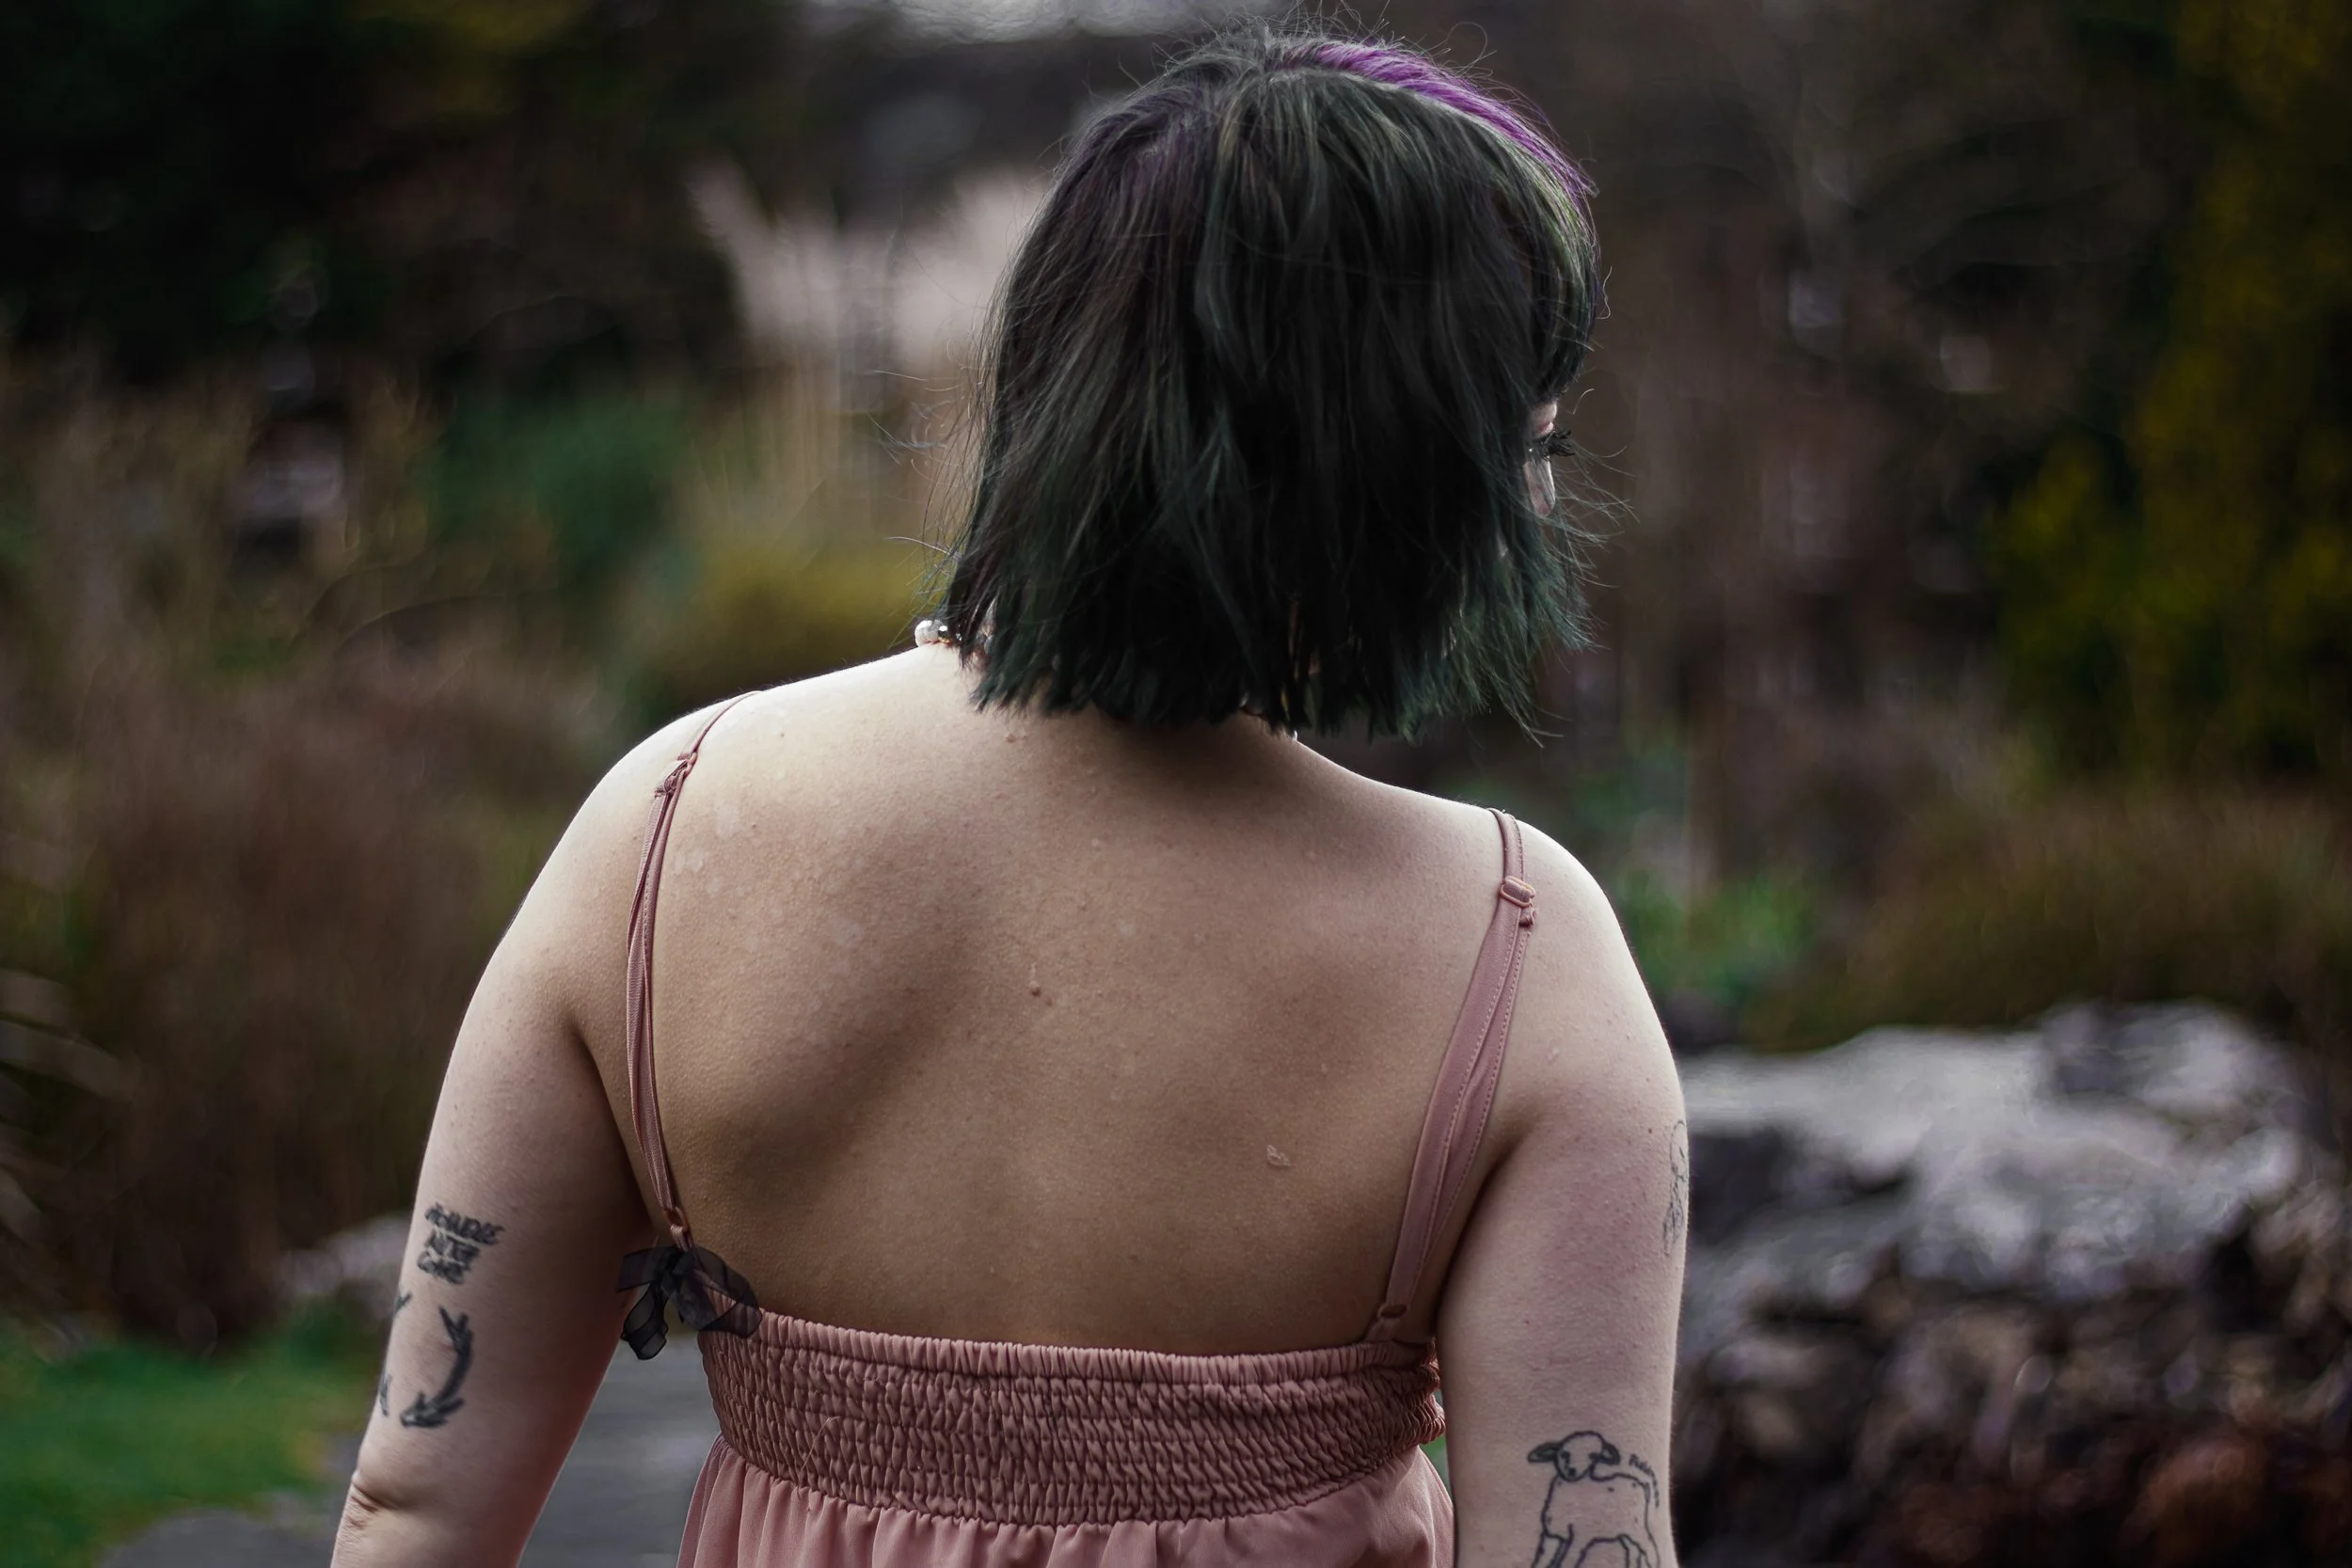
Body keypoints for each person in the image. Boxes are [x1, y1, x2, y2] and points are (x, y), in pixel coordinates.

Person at [333, 24, 1686, 1568]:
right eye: (1530, 437)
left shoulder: (665, 829)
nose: (1542, 497)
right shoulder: (1516, 952)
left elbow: (416, 1506)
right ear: (1393, 464)